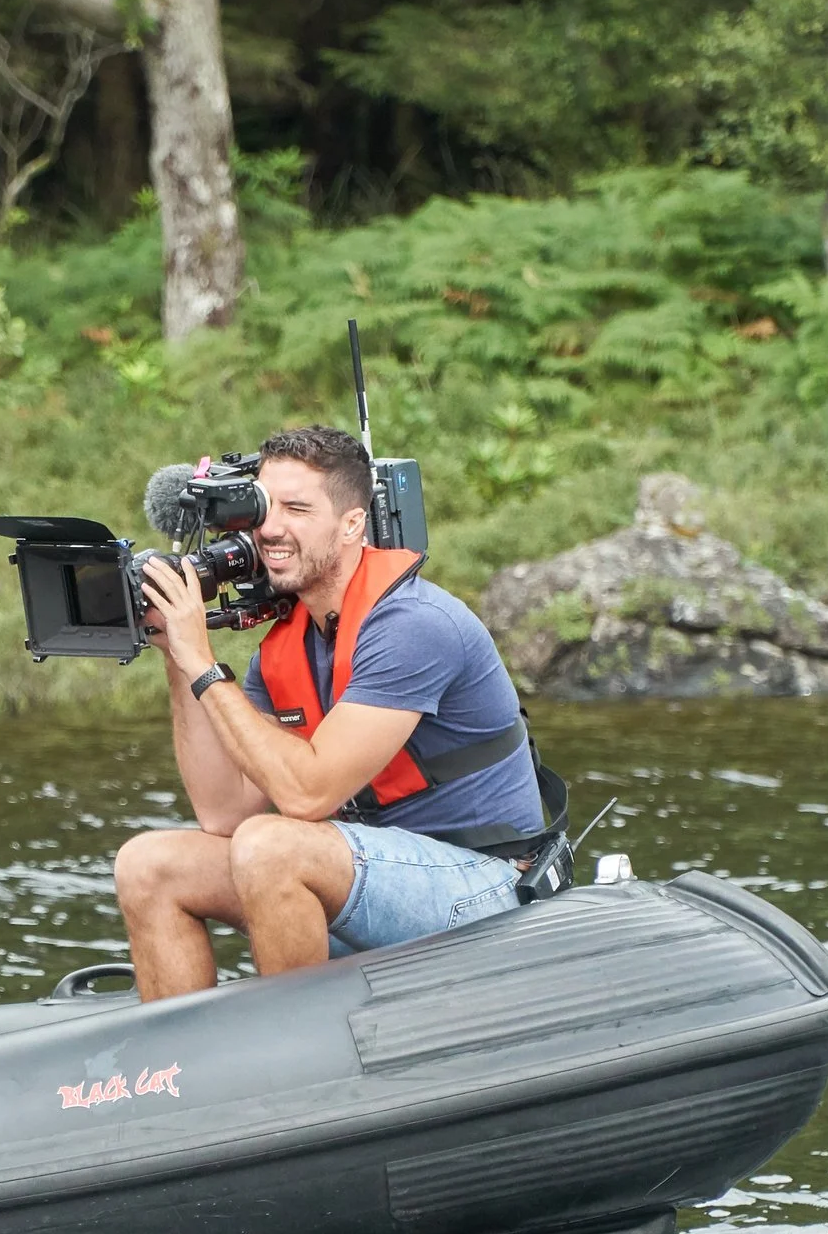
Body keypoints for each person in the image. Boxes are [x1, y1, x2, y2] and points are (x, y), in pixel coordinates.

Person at [114, 424, 563, 1000]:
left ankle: (298, 1062)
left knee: (272, 847)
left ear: (352, 524)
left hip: (488, 883)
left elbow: (306, 797)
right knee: (148, 863)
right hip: (373, 879)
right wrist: (178, 657)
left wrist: (205, 661)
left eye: (298, 509)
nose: (271, 528)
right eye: (265, 507)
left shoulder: (412, 627)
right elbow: (223, 811)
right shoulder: (288, 646)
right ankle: (178, 1076)